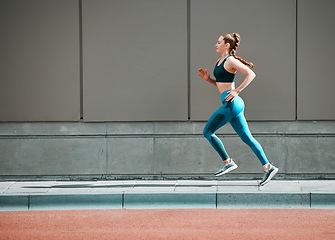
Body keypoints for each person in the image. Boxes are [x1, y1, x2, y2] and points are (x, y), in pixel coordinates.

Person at [198, 33, 278, 186]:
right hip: (233, 104)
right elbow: (222, 86)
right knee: (247, 138)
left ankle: (228, 162)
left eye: (218, 42)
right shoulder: (220, 61)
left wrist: (238, 90)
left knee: (207, 132)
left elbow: (251, 74)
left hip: (232, 104)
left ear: (226, 45)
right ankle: (268, 167)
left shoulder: (230, 60)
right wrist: (208, 80)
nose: (216, 44)